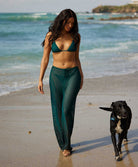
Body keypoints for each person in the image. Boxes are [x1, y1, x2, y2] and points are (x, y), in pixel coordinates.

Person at [38, 9, 83, 157]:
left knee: (66, 109)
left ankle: (67, 144)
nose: (70, 25)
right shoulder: (50, 36)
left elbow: (77, 58)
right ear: (61, 20)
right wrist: (40, 79)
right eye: (68, 22)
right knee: (57, 111)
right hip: (56, 76)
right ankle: (63, 144)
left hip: (73, 76)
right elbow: (45, 59)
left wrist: (81, 76)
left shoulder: (76, 37)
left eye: (72, 23)